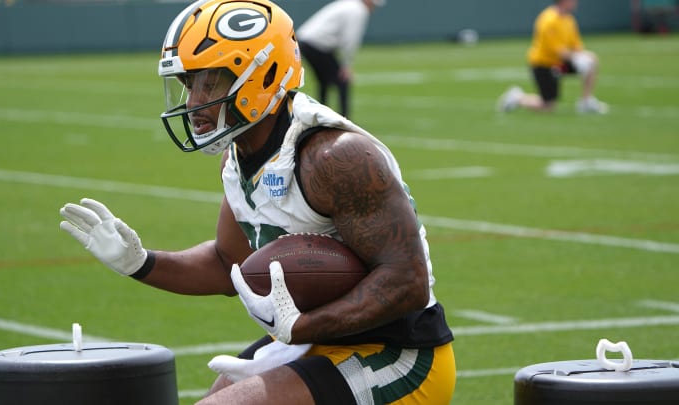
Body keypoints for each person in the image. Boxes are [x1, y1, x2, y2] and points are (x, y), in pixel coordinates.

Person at [59, 0, 455, 404]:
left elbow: (408, 280)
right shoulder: (239, 155)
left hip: (400, 350)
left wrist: (302, 327)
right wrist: (140, 263)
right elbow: (226, 263)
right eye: (188, 83)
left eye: (208, 82)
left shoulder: (334, 157)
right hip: (313, 338)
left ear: (260, 76)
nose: (194, 101)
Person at [498, 0, 609, 114]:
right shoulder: (549, 20)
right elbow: (558, 51)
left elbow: (576, 45)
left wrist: (582, 56)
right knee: (548, 106)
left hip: (559, 66)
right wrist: (576, 57)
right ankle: (517, 97)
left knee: (591, 60)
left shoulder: (569, 20)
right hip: (543, 66)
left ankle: (586, 101)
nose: (576, 2)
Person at [296, 0, 385, 118]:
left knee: (324, 81)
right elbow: (350, 39)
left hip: (306, 41)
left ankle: (320, 115)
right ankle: (344, 117)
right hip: (316, 44)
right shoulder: (358, 10)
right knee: (342, 80)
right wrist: (346, 65)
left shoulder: (348, 4)